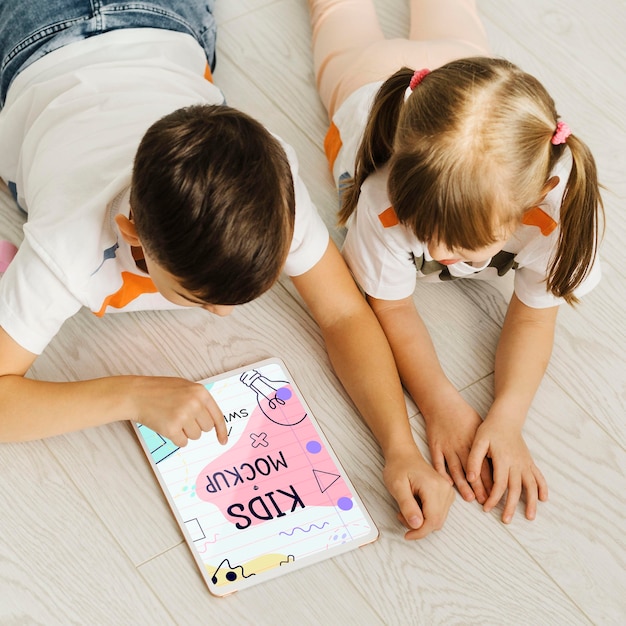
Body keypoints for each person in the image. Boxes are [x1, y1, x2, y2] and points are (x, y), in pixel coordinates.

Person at [0, 1, 454, 539]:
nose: (221, 314)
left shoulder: (270, 184)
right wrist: (133, 394)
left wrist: (400, 448)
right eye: (197, 297)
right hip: (33, 36)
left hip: (165, 16)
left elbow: (342, 313)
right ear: (131, 234)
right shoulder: (67, 244)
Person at [307, 0, 604, 524]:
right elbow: (390, 309)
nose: (440, 258)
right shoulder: (383, 201)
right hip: (364, 84)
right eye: (426, 238)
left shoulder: (564, 213)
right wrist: (439, 402)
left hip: (461, 80)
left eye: (462, 250)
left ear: (535, 202)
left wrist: (508, 418)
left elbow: (535, 314)